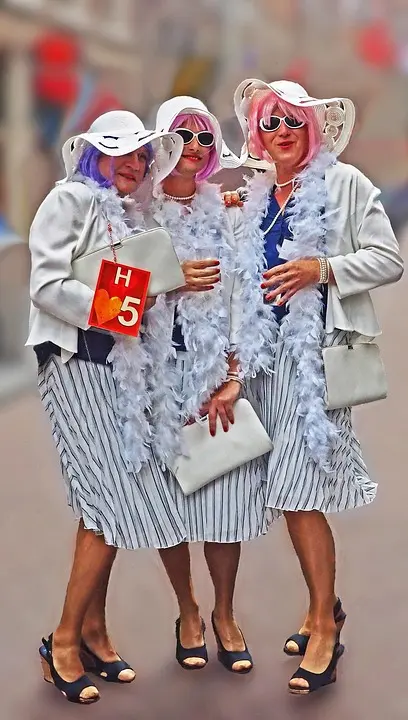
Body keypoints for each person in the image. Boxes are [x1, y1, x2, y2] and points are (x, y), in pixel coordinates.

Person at [230, 78, 404, 693]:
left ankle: (326, 628)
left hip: (316, 362)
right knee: (287, 495)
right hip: (264, 364)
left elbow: (389, 258)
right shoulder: (254, 199)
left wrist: (322, 268)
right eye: (269, 124)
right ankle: (319, 608)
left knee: (302, 496)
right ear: (257, 133)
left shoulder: (345, 185)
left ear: (312, 128)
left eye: (291, 123)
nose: (280, 134)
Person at [27, 110, 184, 704]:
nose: (135, 163)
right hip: (72, 364)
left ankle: (92, 629)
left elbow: (139, 289)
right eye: (122, 153)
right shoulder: (68, 200)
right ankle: (62, 642)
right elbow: (46, 284)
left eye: (142, 155)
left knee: (104, 500)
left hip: (113, 368)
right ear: (94, 156)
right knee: (108, 500)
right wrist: (124, 308)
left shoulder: (133, 217)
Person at [145, 95, 274, 674]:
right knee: (173, 501)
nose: (193, 149)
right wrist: (168, 281)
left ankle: (225, 612)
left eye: (202, 138)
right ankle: (188, 610)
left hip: (213, 374)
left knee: (222, 496)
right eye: (181, 137)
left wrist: (233, 374)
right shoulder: (137, 214)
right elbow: (115, 297)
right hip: (152, 376)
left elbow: (243, 298)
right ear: (162, 143)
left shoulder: (226, 213)